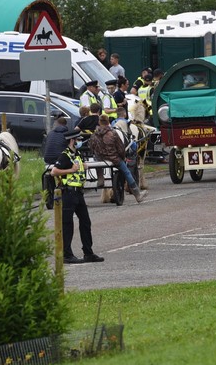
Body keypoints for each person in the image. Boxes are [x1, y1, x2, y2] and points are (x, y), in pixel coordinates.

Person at [51, 128, 102, 264]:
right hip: (68, 193)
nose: (80, 141)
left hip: (78, 193)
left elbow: (79, 168)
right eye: (78, 139)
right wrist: (71, 170)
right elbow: (54, 172)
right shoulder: (65, 155)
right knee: (67, 224)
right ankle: (67, 255)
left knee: (85, 222)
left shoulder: (77, 153)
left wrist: (83, 167)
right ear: (72, 141)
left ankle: (88, 253)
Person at [90, 114, 145, 203]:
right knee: (126, 172)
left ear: (99, 123)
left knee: (96, 158)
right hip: (114, 158)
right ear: (108, 123)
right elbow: (120, 148)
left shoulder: (94, 135)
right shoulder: (113, 133)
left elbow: (92, 148)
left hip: (100, 158)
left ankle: (100, 178)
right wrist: (122, 158)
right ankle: (137, 194)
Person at [41, 112, 69, 211]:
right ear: (66, 125)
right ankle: (64, 183)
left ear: (56, 124)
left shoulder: (50, 133)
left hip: (47, 158)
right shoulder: (67, 134)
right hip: (59, 159)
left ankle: (56, 183)